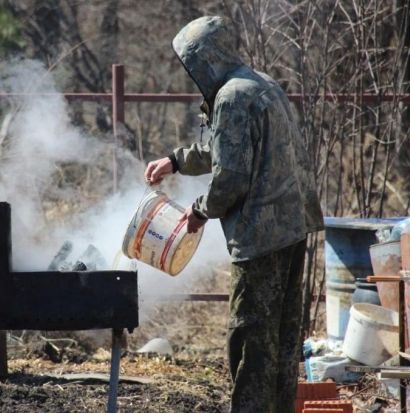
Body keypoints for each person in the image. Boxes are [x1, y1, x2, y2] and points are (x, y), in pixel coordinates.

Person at [144, 16, 324, 413]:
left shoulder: (230, 98)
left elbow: (232, 176)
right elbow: (231, 149)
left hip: (260, 239)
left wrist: (199, 211)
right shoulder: (259, 84)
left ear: (203, 60)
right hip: (293, 228)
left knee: (250, 342)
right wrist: (175, 161)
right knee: (282, 338)